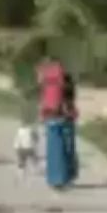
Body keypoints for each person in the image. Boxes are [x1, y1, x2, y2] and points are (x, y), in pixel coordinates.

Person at [38, 55, 79, 190]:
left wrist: (44, 114)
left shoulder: (46, 79)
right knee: (65, 147)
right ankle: (66, 176)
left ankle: (56, 178)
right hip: (63, 115)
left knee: (54, 148)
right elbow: (69, 97)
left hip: (52, 114)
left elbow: (44, 96)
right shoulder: (63, 80)